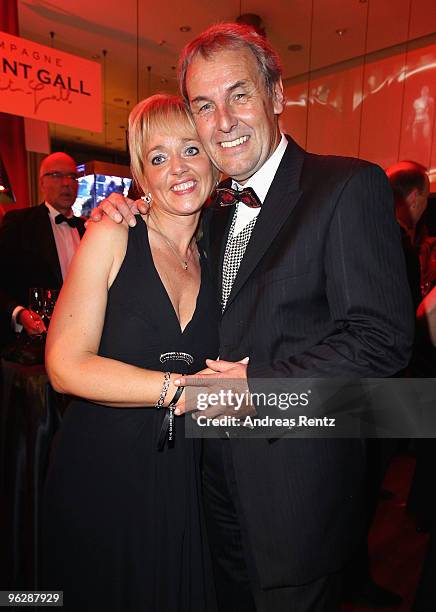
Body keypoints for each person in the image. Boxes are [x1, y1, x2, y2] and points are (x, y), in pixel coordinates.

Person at [94, 23, 413, 612]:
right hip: (207, 484)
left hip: (295, 493)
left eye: (238, 94)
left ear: (276, 96)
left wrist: (258, 385)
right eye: (204, 106)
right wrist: (129, 209)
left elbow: (382, 340)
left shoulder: (346, 187)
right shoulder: (211, 216)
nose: (223, 121)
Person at [42, 95, 220, 611]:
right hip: (103, 474)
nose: (179, 169)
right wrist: (178, 390)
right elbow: (63, 366)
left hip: (182, 475)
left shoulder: (220, 253)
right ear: (141, 173)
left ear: (212, 156)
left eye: (190, 149)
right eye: (158, 157)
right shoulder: (113, 234)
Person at [0, 152, 84, 347]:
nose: (66, 183)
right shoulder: (19, 223)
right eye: (57, 175)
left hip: (85, 339)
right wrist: (18, 312)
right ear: (41, 183)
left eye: (72, 177)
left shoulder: (89, 228)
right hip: (36, 343)